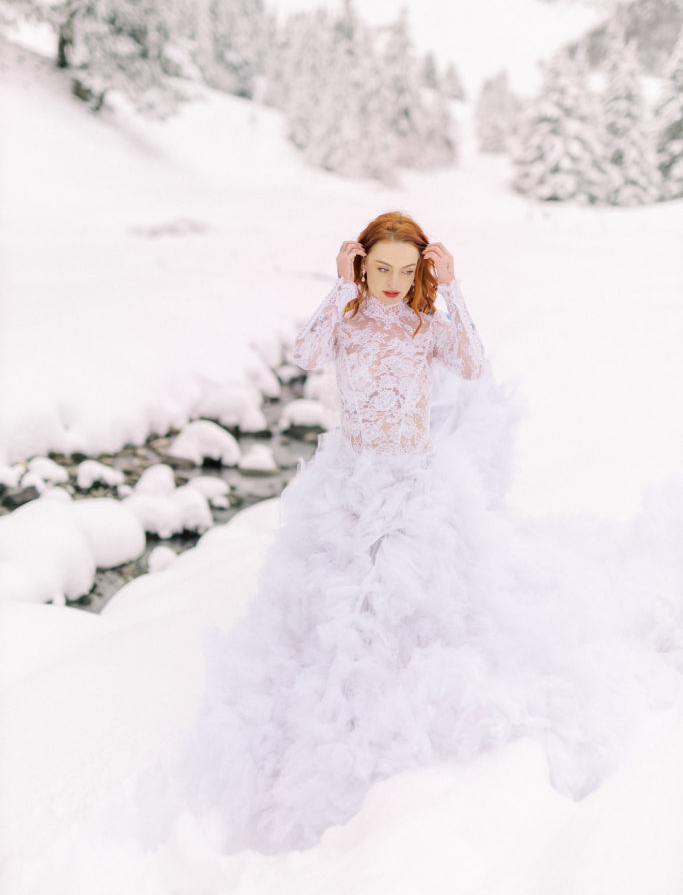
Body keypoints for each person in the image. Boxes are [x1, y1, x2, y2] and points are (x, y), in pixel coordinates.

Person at [146, 211, 682, 858]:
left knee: (415, 602)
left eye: (406, 270)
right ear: (362, 266)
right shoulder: (345, 320)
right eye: (381, 270)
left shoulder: (426, 325)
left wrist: (451, 289)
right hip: (348, 482)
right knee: (336, 610)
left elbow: (473, 363)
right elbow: (304, 354)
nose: (393, 282)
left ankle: (401, 732)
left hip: (414, 483)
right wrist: (338, 287)